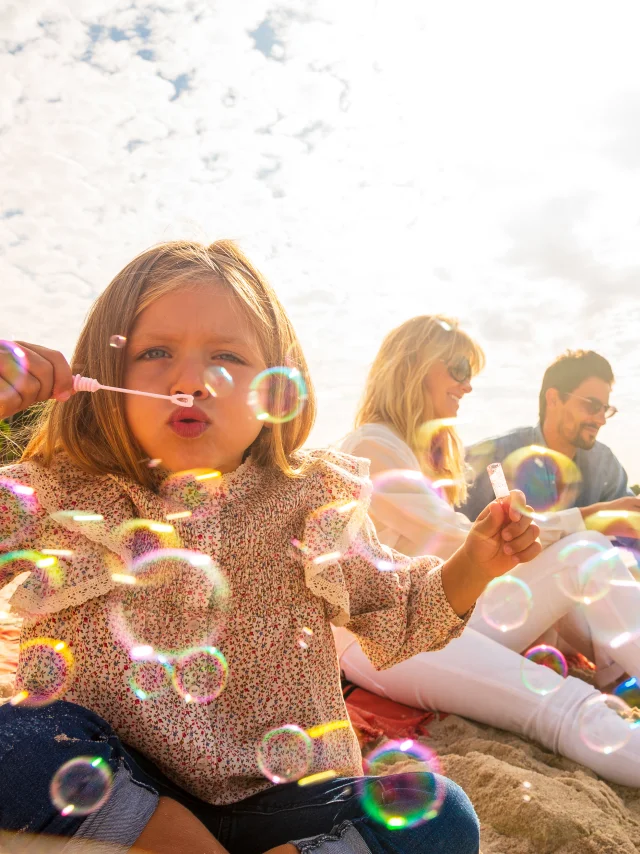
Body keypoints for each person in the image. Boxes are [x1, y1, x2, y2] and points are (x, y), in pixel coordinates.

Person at [0, 243, 542, 854]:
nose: (190, 380)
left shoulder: (308, 501)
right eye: (155, 352)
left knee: (441, 815)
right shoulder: (61, 495)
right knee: (13, 738)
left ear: (276, 389)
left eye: (227, 356)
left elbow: (402, 609)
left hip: (285, 798)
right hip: (127, 792)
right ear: (102, 375)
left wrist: (477, 561)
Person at [336, 315, 640, 789]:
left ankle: (621, 671)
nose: (468, 385)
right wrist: (590, 514)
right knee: (557, 707)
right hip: (383, 637)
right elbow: (461, 541)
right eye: (458, 368)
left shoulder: (419, 451)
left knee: (588, 552)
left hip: (440, 612)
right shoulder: (370, 447)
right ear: (411, 365)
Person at [460, 350, 640, 538]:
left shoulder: (604, 463)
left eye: (605, 409)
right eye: (592, 406)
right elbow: (457, 537)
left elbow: (629, 525)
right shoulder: (493, 458)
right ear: (553, 399)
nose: (601, 420)